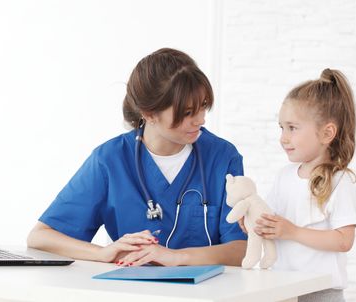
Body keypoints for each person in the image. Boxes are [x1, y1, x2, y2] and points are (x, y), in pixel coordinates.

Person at [27, 48, 247, 267]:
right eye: (188, 112)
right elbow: (41, 237)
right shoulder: (110, 160)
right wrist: (103, 253)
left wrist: (177, 257)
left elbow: (240, 249)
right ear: (149, 113)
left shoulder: (222, 156)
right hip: (130, 292)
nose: (200, 120)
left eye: (204, 107)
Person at [243, 69, 356, 302]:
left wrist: (292, 231)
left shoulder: (339, 181)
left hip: (322, 293)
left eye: (292, 128)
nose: (283, 138)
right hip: (284, 288)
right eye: (281, 128)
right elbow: (273, 222)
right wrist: (255, 223)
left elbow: (344, 240)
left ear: (327, 133)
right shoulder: (284, 177)